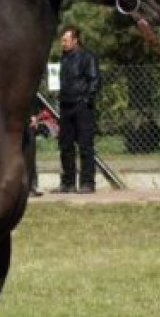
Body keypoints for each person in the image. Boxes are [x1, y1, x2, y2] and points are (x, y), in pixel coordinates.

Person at [54, 25, 99, 193]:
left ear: (75, 40)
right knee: (65, 146)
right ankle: (68, 182)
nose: (62, 43)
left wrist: (86, 99)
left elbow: (94, 80)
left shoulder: (87, 57)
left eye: (65, 40)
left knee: (85, 145)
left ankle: (87, 183)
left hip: (82, 107)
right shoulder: (63, 58)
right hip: (65, 106)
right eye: (62, 40)